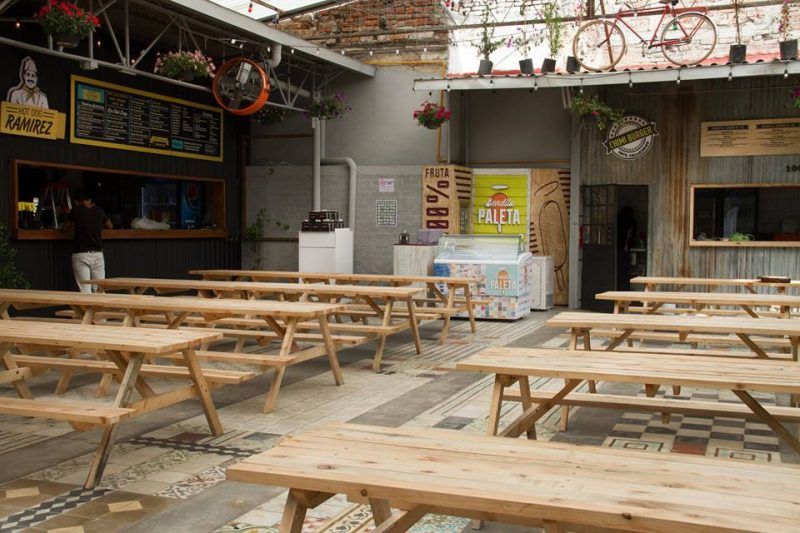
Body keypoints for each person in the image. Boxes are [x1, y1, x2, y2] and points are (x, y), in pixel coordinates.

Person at [63, 191, 112, 292]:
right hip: (97, 253)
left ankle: (88, 303)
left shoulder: (75, 211)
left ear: (76, 202)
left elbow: (64, 228)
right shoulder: (99, 210)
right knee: (99, 288)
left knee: (85, 289)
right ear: (89, 200)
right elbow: (110, 225)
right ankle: (100, 303)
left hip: (81, 254)